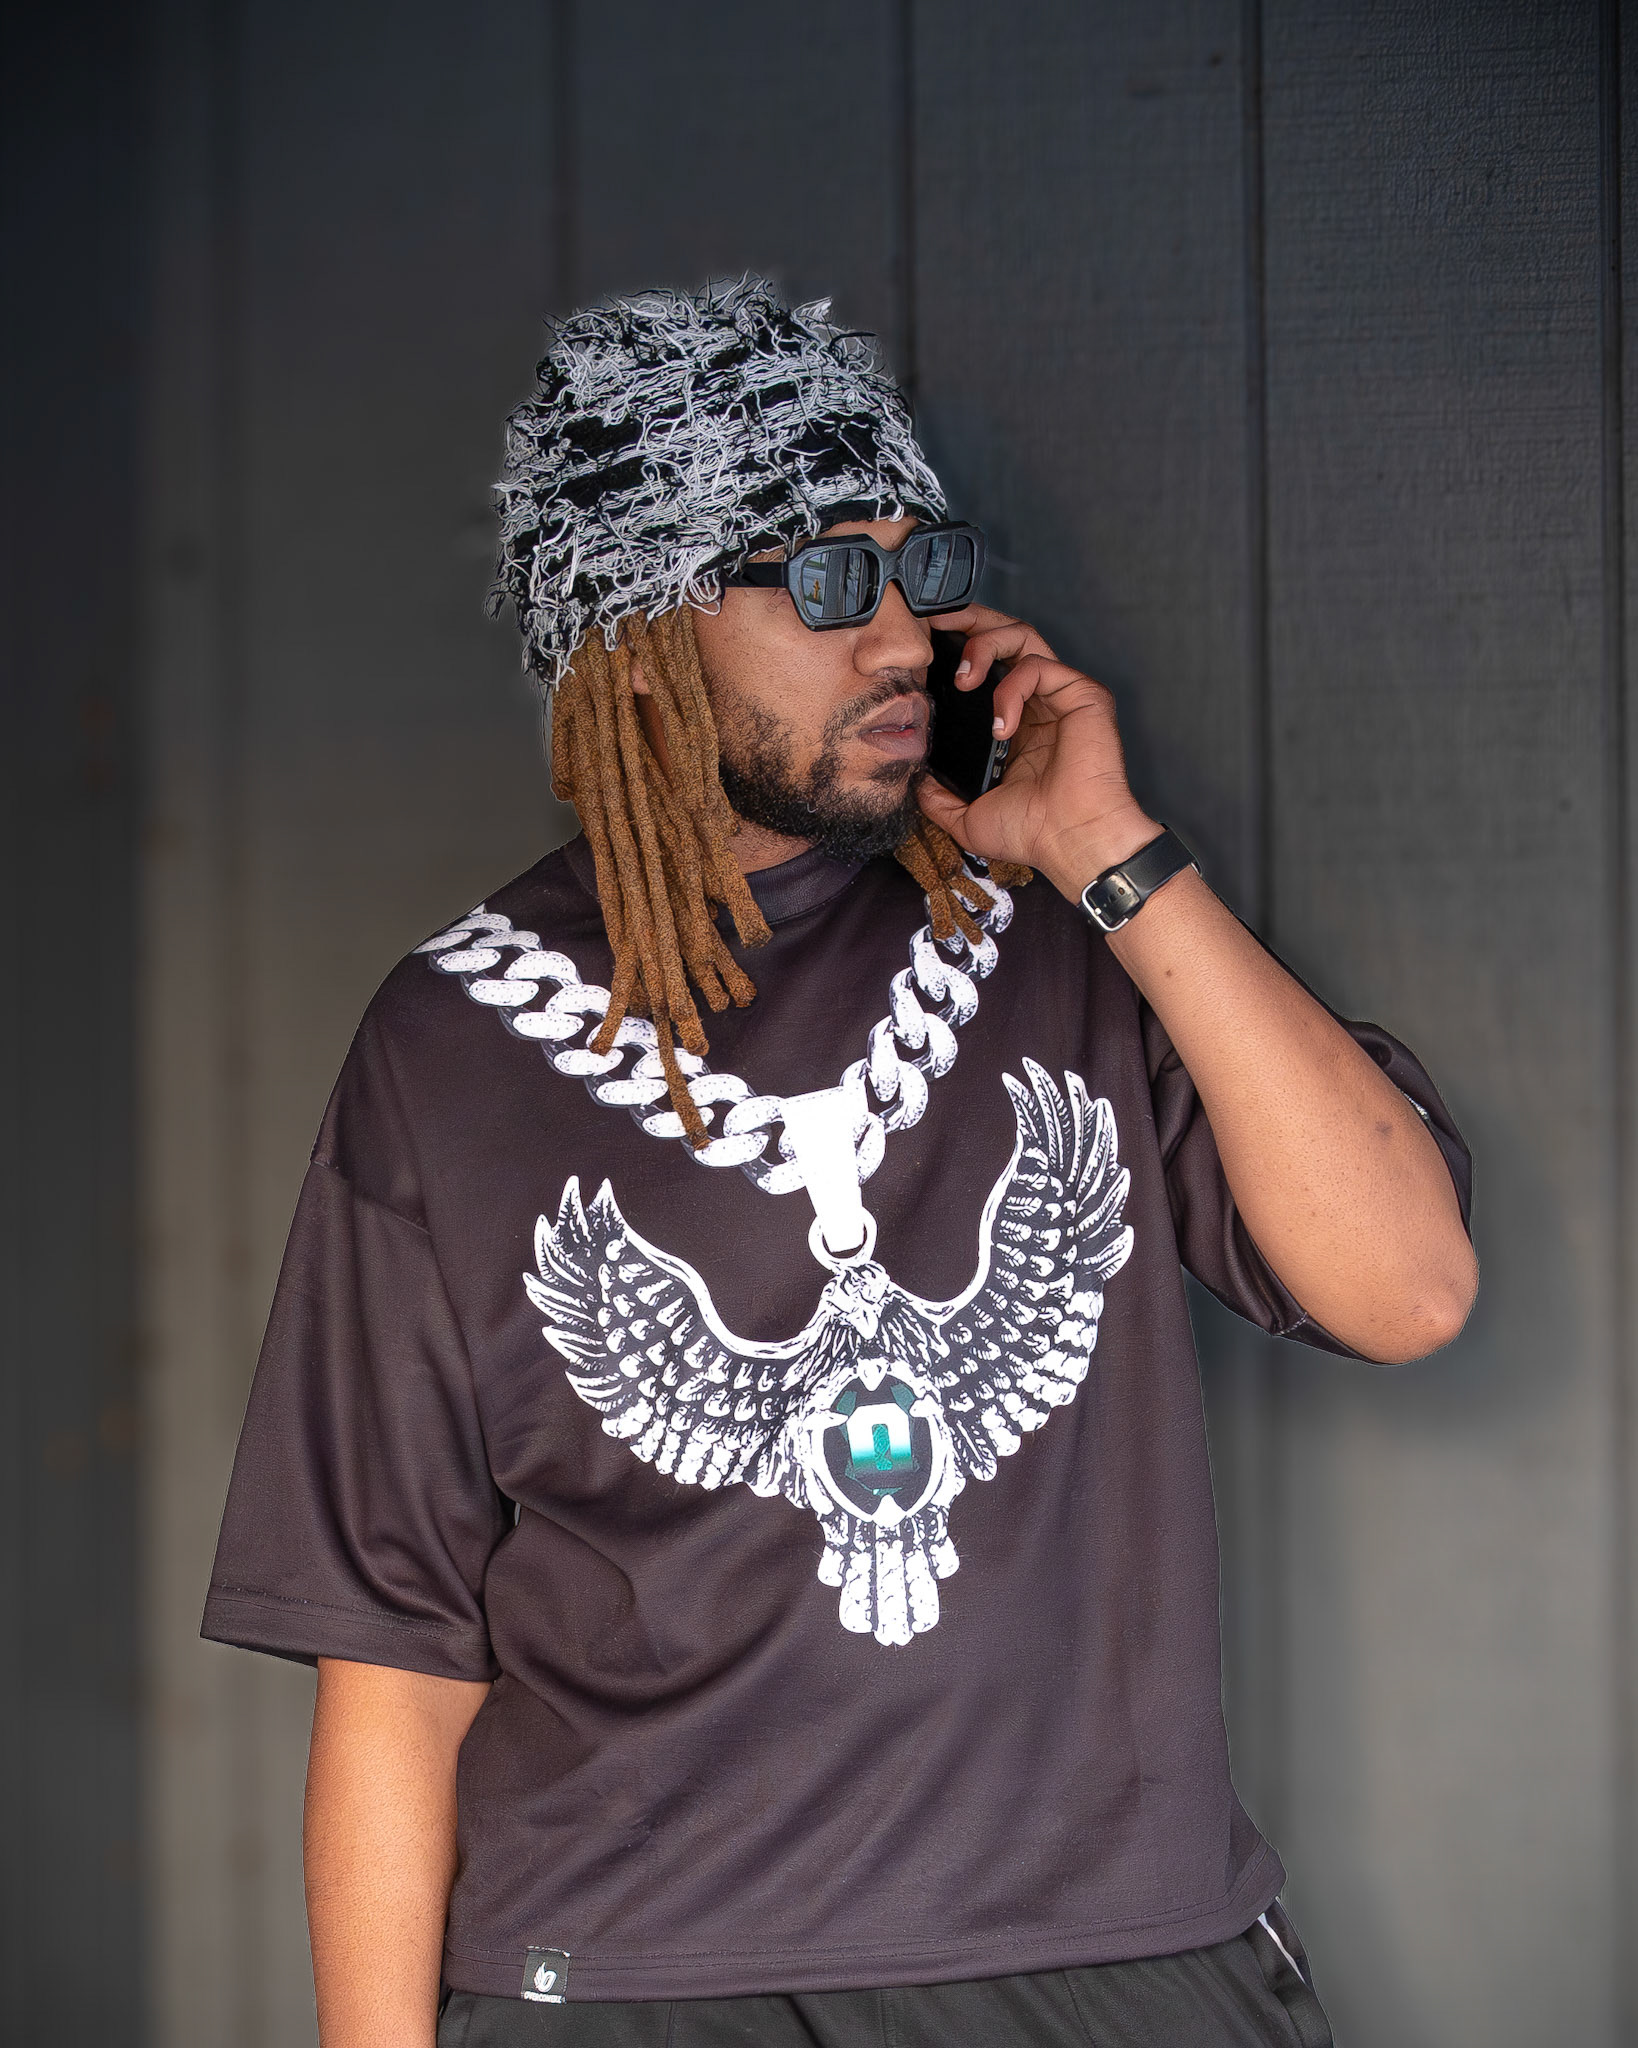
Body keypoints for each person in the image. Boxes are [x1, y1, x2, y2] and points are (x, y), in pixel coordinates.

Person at [204, 277, 1475, 2048]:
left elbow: (1407, 1291)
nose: (898, 640)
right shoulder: (448, 1048)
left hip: (1109, 1970)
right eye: (818, 580)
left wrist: (1106, 849)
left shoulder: (1069, 936)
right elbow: (395, 1670)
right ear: (637, 630)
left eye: (916, 569)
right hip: (633, 1989)